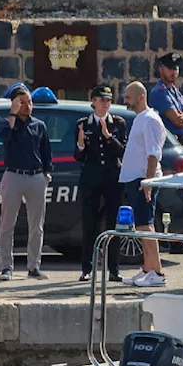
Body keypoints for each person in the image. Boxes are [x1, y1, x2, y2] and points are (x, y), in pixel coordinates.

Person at [0, 85, 53, 281]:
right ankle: (6, 267)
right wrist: (12, 113)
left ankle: (33, 266)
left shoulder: (39, 125)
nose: (27, 106)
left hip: (36, 177)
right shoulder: (7, 123)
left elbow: (46, 151)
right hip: (14, 175)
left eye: (29, 102)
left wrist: (47, 173)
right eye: (22, 102)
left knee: (36, 224)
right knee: (7, 223)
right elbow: (5, 138)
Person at [75, 84, 129, 282]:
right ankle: (87, 268)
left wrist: (108, 136)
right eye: (102, 100)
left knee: (113, 223)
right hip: (91, 178)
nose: (106, 104)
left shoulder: (118, 123)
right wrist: (81, 144)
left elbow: (122, 150)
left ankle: (113, 269)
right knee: (89, 223)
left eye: (108, 100)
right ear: (93, 101)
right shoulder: (84, 123)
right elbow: (79, 156)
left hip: (113, 179)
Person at [120, 80, 167, 287]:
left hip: (143, 178)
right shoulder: (140, 119)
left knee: (146, 224)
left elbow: (153, 153)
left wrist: (148, 181)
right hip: (134, 178)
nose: (125, 101)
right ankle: (147, 269)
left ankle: (157, 272)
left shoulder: (150, 120)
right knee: (140, 224)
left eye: (128, 97)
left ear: (141, 97)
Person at [150, 52, 183, 146]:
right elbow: (178, 121)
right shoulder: (159, 92)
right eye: (169, 68)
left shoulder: (175, 91)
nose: (173, 72)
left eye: (175, 68)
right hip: (170, 143)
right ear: (161, 69)